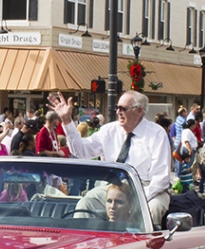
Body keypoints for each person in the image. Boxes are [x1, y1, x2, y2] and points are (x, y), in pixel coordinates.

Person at [50, 90, 172, 227]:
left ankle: (145, 247)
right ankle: (81, 244)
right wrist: (67, 120)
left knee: (152, 210)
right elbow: (81, 151)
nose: (118, 112)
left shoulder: (156, 133)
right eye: (117, 108)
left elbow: (160, 179)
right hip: (113, 186)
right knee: (85, 203)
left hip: (147, 188)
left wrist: (138, 200)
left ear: (139, 111)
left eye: (123, 108)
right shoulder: (109, 130)